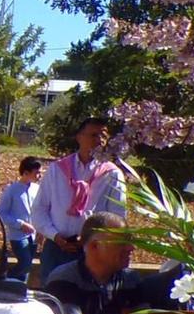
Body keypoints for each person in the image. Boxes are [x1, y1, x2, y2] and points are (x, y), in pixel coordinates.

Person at [43, 212, 182, 314]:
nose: (131, 248)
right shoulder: (64, 280)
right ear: (94, 246)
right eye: (122, 242)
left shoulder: (130, 280)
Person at [34, 116, 127, 281]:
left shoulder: (112, 174)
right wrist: (55, 236)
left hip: (92, 251)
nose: (99, 140)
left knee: (87, 294)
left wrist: (88, 238)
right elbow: (39, 209)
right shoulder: (57, 170)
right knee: (51, 292)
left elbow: (117, 217)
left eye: (103, 136)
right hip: (56, 248)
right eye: (93, 135)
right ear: (79, 137)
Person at [0, 155, 44, 284]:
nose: (39, 176)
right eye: (37, 173)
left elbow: (40, 210)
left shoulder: (37, 189)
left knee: (27, 266)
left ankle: (19, 287)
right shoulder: (12, 190)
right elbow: (2, 213)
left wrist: (41, 230)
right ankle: (4, 280)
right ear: (26, 172)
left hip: (33, 234)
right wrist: (20, 224)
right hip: (18, 235)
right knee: (25, 262)